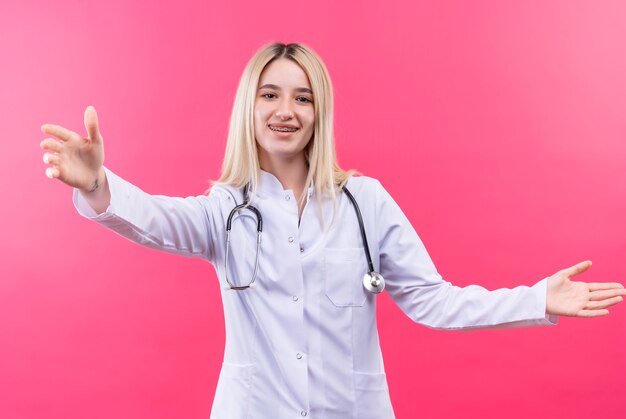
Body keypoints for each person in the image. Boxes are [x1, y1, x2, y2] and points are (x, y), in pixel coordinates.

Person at [40, 43, 625, 419]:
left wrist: (536, 298)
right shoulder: (225, 210)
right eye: (269, 95)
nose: (285, 110)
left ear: (320, 112)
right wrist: (97, 185)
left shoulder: (365, 202)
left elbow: (430, 300)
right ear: (250, 107)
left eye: (303, 97)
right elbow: (156, 221)